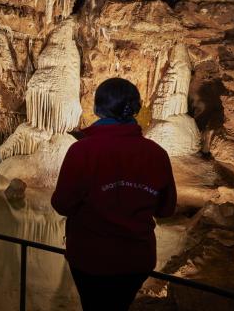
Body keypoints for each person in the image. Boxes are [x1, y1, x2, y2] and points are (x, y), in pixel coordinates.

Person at [51, 78, 177, 311]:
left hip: (91, 258)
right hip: (137, 259)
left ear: (97, 109)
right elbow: (166, 209)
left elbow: (62, 204)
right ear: (136, 110)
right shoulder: (157, 154)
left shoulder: (82, 151)